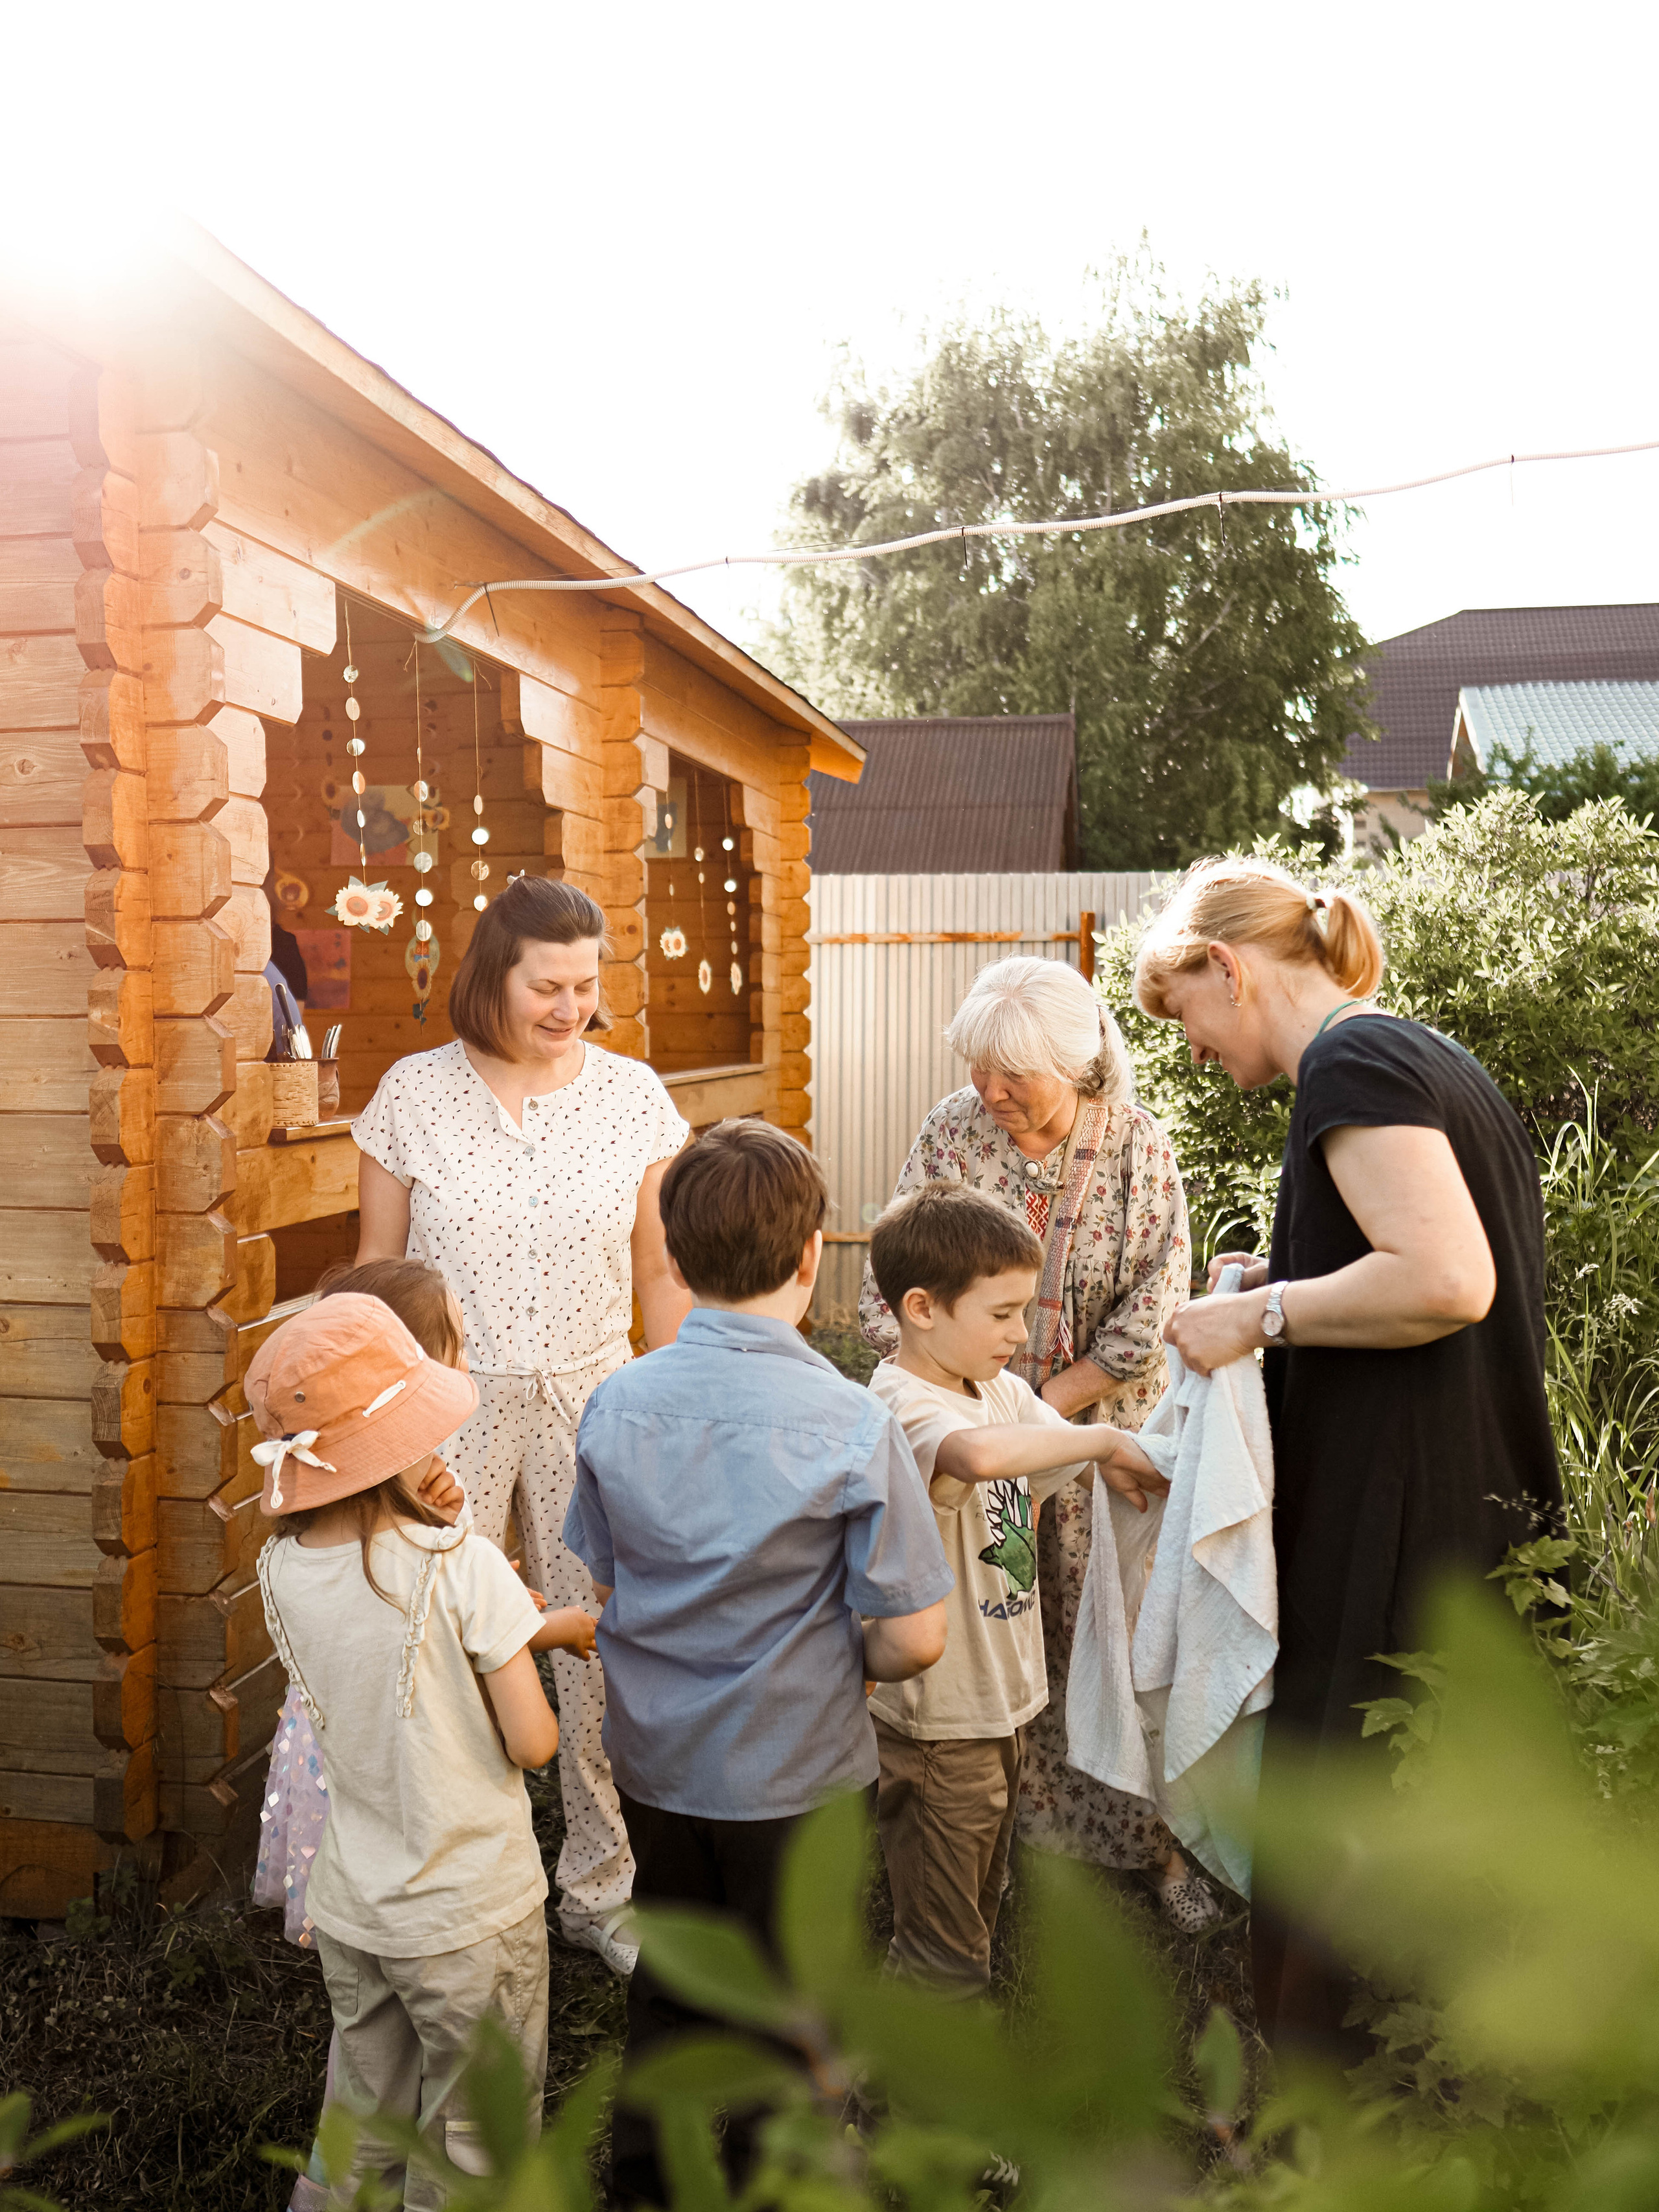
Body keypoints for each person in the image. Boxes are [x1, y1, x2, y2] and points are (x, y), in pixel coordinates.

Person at [1133, 855, 1563, 2056]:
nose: (1193, 1050)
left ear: (1228, 967)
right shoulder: (1425, 1054)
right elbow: (1410, 1270)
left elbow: (1447, 1279)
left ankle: (1348, 2119)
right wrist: (1279, 1278)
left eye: (1184, 1013)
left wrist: (1258, 1319)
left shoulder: (1351, 1064)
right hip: (1472, 1498)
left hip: (1397, 1523)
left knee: (1344, 1838)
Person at [563, 1120, 954, 2207]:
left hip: (658, 1763)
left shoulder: (616, 1400)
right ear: (812, 1253)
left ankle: (648, 2185)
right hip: (799, 1775)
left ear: (675, 1256)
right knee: (799, 2005)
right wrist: (851, 1660)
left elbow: (607, 1577)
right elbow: (916, 1635)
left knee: (673, 1984)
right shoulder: (851, 1419)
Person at [352, 876, 691, 1977]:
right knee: (437, 1636)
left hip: (593, 1399)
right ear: (494, 974)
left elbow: (658, 1269)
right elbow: (375, 1276)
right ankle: (448, 1886)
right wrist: (382, 1433)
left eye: (587, 984)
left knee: (596, 1646)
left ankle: (600, 1888)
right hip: (443, 1405)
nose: (571, 1006)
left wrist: (675, 1403)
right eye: (549, 985)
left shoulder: (634, 1097)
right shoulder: (413, 1094)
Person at [860, 953, 1200, 1920]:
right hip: (963, 1423)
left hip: (1092, 1421)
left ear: (1076, 1063)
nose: (989, 1090)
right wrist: (980, 1403)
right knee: (990, 1615)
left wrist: (1036, 1408)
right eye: (978, 1066)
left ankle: (1148, 1842)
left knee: (1108, 1633)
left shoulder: (1135, 1143)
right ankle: (989, 1830)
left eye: (1013, 1072)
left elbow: (1152, 1307)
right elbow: (897, 1279)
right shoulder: (950, 1130)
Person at [249, 1294, 596, 2209]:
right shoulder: (463, 1564)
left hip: (356, 1905)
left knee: (363, 2108)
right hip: (469, 1913)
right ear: (400, 1438)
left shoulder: (279, 1568)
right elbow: (534, 1740)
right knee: (475, 2127)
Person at [865, 1184, 1171, 1987]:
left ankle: (917, 2027)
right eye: (1001, 1312)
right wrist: (1103, 1439)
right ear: (921, 1308)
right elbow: (976, 1457)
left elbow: (1048, 1447)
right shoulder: (899, 1402)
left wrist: (1127, 1456)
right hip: (937, 1719)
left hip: (998, 1701)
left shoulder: (995, 1389)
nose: (1020, 1332)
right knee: (943, 1943)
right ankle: (923, 2053)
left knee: (973, 1898)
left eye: (1023, 1310)